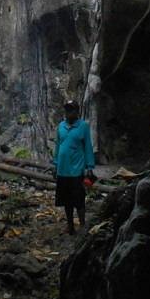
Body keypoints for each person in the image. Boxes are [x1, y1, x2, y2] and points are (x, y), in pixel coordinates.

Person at [53, 100, 95, 234]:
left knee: (79, 199)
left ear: (77, 112)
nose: (68, 113)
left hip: (77, 170)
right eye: (66, 110)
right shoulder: (60, 126)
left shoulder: (83, 126)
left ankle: (82, 224)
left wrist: (89, 167)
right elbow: (58, 146)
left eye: (71, 110)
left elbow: (88, 146)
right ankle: (70, 225)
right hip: (62, 170)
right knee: (66, 200)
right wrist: (55, 164)